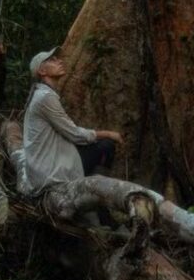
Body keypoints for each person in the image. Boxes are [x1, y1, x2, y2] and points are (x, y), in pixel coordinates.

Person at [23, 47, 123, 195]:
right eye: (51, 60)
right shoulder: (45, 97)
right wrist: (108, 133)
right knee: (106, 146)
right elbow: (74, 134)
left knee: (95, 146)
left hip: (44, 168)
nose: (59, 61)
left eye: (57, 59)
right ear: (42, 71)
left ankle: (92, 192)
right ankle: (96, 194)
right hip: (50, 174)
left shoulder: (42, 95)